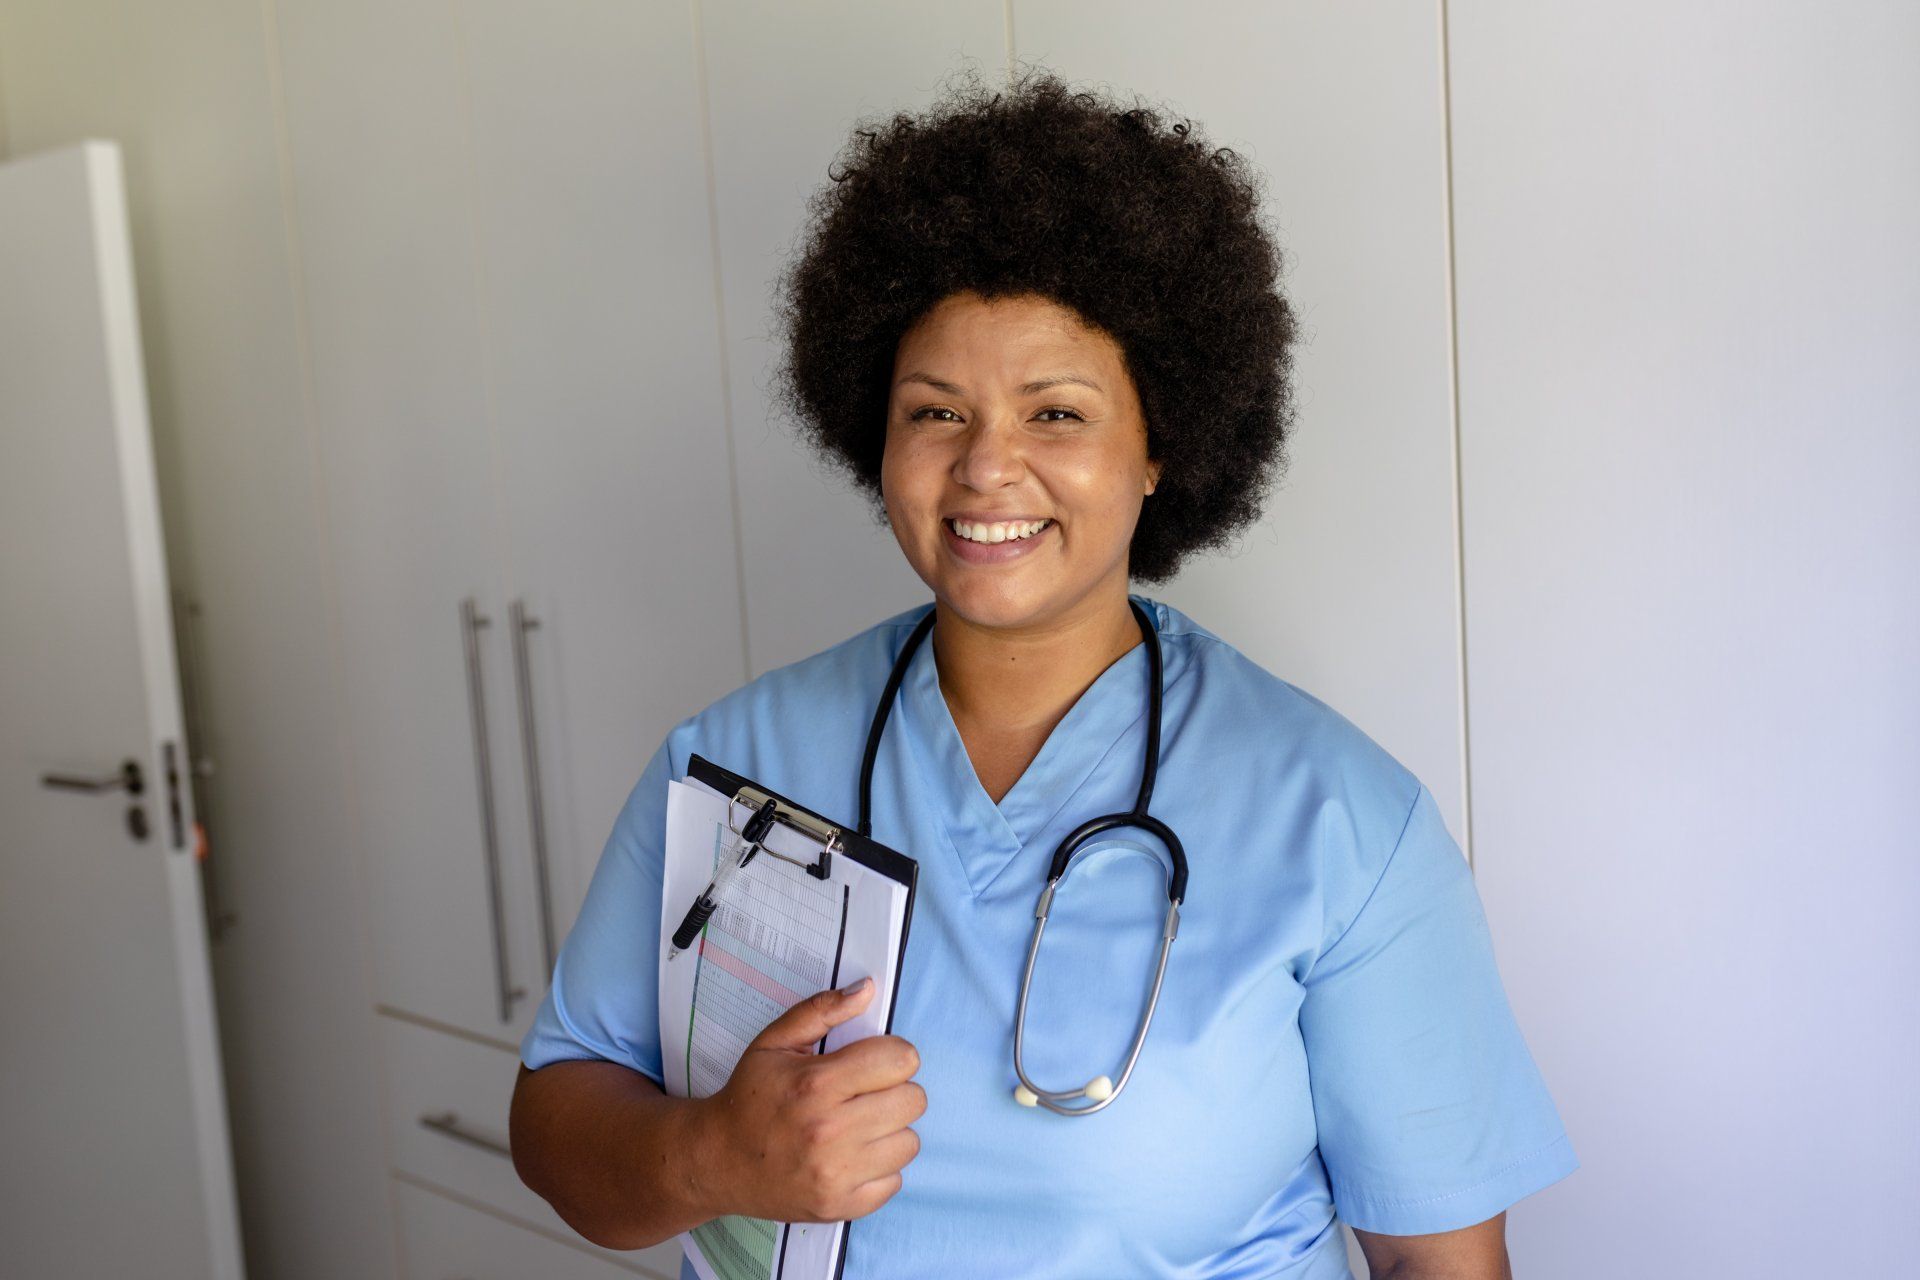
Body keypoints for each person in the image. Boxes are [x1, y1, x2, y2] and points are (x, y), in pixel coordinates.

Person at [509, 65, 1576, 1280]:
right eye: (935, 411)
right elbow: (558, 1115)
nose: (985, 469)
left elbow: (1439, 1260)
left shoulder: (1339, 820)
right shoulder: (738, 760)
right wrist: (710, 1158)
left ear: (1161, 443)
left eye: (1056, 413)